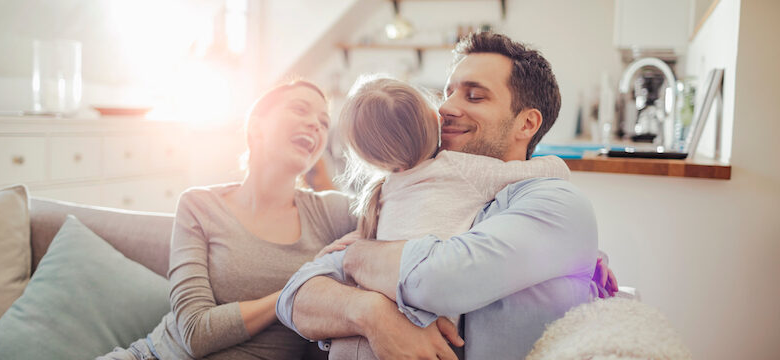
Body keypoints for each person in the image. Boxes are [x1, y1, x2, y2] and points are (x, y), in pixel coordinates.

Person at [276, 32, 617, 360]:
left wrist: (357, 255)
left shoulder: (555, 202)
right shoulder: (419, 180)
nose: (445, 108)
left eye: (473, 96)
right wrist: (370, 312)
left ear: (526, 124)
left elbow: (439, 280)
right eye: (447, 92)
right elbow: (295, 297)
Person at [97, 80, 357, 360]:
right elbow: (195, 333)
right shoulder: (199, 205)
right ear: (256, 126)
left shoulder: (332, 212)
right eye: (300, 109)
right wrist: (296, 290)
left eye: (323, 121)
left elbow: (398, 206)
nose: (315, 125)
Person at [323, 75, 573, 359]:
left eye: (474, 96)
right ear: (434, 116)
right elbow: (552, 172)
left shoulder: (383, 191)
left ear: (367, 156)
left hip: (354, 342)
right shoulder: (458, 168)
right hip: (421, 337)